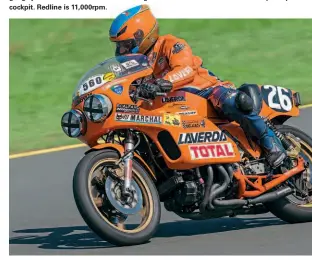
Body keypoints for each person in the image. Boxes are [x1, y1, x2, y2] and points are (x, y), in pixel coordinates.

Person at [108, 4, 286, 168]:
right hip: (172, 109)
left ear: (142, 35)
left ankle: (270, 143)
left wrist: (162, 84)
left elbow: (185, 69)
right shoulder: (136, 65)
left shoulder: (172, 44)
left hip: (205, 92)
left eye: (125, 45)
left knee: (232, 101)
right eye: (119, 47)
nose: (121, 51)